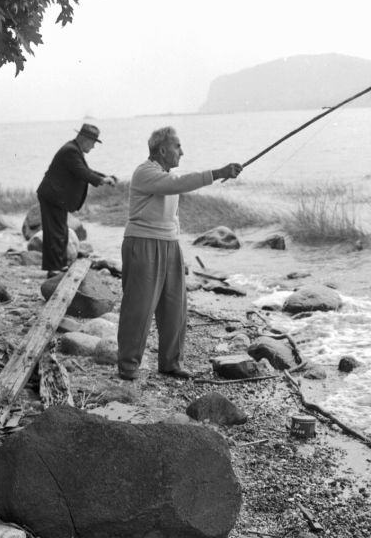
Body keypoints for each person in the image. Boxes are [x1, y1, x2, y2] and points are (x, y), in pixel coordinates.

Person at [117, 126, 242, 380]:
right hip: (143, 242)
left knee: (175, 308)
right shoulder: (145, 172)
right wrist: (218, 173)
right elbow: (177, 184)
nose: (181, 152)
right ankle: (128, 367)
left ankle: (170, 363)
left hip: (169, 244)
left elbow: (173, 201)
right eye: (177, 147)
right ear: (162, 150)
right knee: (139, 309)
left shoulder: (164, 175)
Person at [36, 123, 115, 277]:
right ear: (85, 139)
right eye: (93, 143)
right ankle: (54, 269)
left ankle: (59, 265)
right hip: (52, 196)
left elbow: (85, 170)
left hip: (55, 196)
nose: (93, 147)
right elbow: (82, 172)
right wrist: (102, 180)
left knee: (60, 231)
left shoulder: (73, 149)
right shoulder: (71, 151)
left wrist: (104, 176)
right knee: (56, 232)